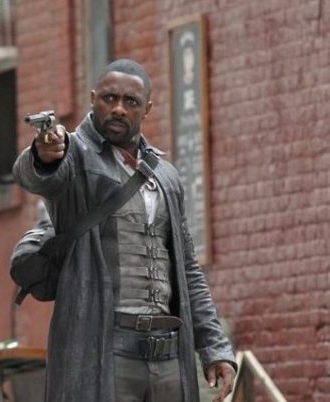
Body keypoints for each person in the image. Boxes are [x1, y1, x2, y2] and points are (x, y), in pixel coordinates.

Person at [12, 59, 236, 402]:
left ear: (147, 108)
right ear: (93, 99)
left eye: (130, 101)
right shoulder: (74, 156)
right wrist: (43, 154)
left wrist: (214, 347)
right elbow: (36, 174)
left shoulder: (165, 175)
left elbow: (188, 269)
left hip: (167, 356)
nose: (118, 108)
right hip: (103, 352)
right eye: (109, 98)